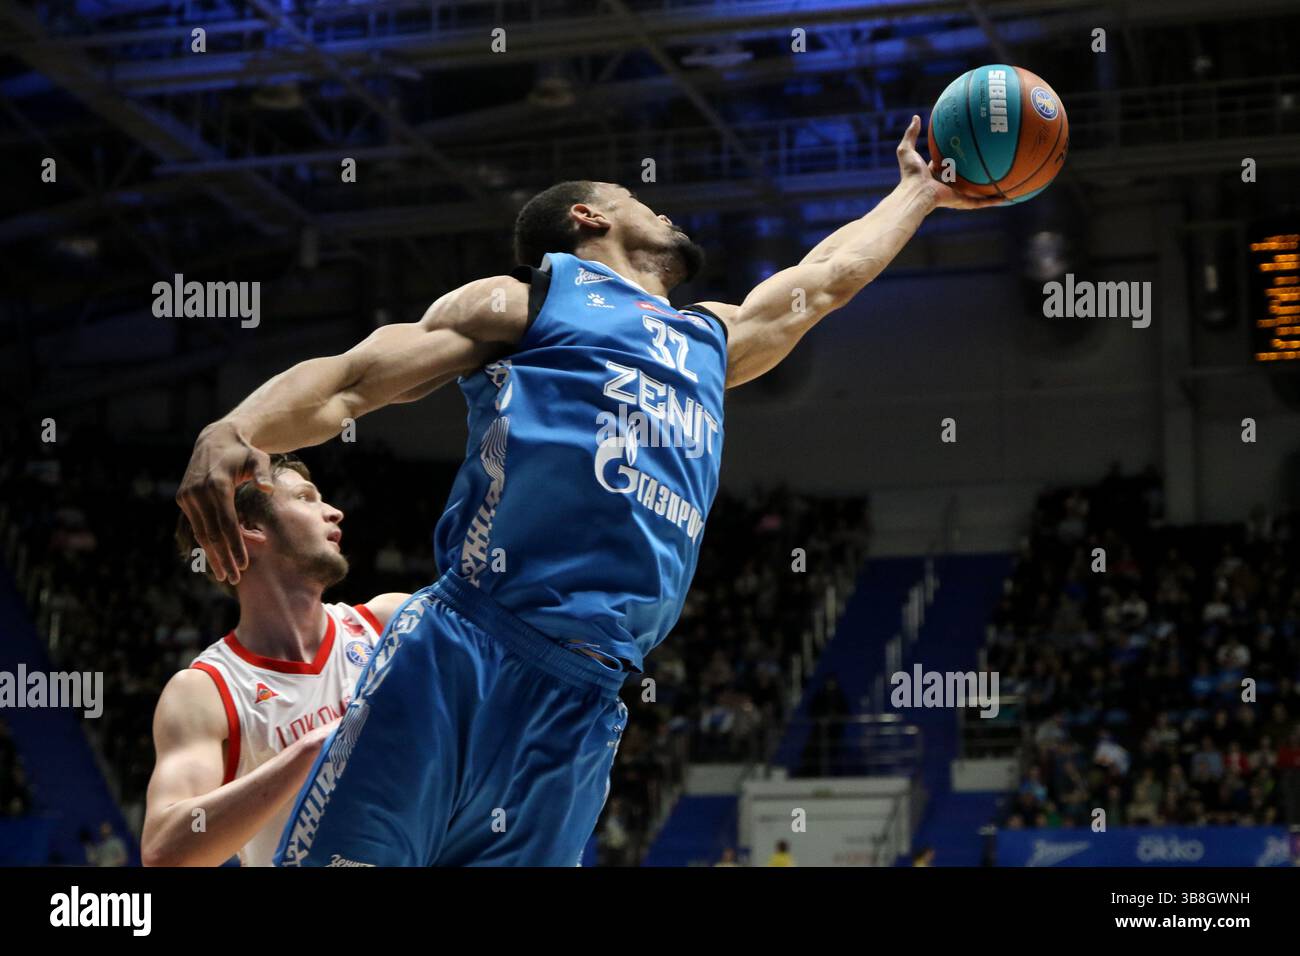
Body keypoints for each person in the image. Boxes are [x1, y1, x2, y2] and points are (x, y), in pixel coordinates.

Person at [176, 117, 999, 867]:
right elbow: (353, 381)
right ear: (588, 217)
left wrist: (918, 193)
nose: (663, 210)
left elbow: (824, 280)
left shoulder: (708, 338)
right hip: (469, 649)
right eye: (638, 198)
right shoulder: (531, 301)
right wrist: (237, 429)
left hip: (585, 699)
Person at [142, 455, 409, 866]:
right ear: (251, 527)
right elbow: (164, 852)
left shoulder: (389, 624)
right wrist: (314, 748)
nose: (334, 511)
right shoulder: (206, 691)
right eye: (305, 497)